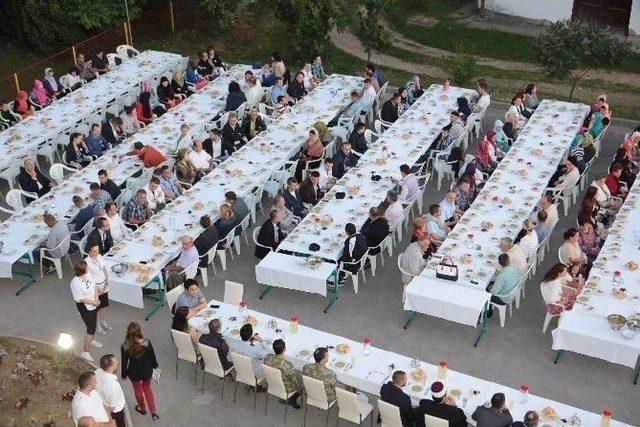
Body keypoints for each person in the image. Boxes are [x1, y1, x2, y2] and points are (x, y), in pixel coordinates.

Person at [121, 322, 159, 421]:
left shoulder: (125, 346)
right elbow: (152, 356)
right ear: (139, 332)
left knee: (137, 390)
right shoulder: (146, 342)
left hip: (134, 372)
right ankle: (153, 412)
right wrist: (155, 366)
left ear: (128, 332)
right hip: (146, 370)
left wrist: (124, 374)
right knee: (147, 389)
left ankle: (142, 409)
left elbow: (124, 362)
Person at [70, 261, 102, 362]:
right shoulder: (75, 283)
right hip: (84, 306)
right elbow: (80, 299)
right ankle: (85, 352)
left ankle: (92, 340)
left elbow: (94, 287)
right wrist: (93, 302)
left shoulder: (88, 274)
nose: (88, 268)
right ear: (82, 271)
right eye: (87, 268)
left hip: (93, 302)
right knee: (91, 328)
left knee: (94, 321)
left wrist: (96, 299)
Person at [264, 339, 303, 408]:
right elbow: (295, 380)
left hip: (272, 383)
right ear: (284, 349)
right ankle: (291, 399)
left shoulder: (268, 358)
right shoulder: (287, 366)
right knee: (303, 382)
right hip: (286, 387)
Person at [86, 243, 111, 335]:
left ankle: (103, 321)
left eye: (97, 250)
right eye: (94, 251)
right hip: (95, 288)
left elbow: (104, 269)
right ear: (89, 252)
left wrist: (107, 281)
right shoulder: (86, 262)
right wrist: (97, 289)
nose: (97, 252)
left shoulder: (100, 256)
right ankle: (97, 325)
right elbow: (88, 279)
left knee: (104, 305)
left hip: (104, 285)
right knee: (96, 308)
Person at [95, 355, 126, 427]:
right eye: (115, 363)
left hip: (103, 406)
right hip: (116, 414)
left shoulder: (98, 372)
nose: (117, 363)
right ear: (110, 368)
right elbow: (112, 408)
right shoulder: (113, 385)